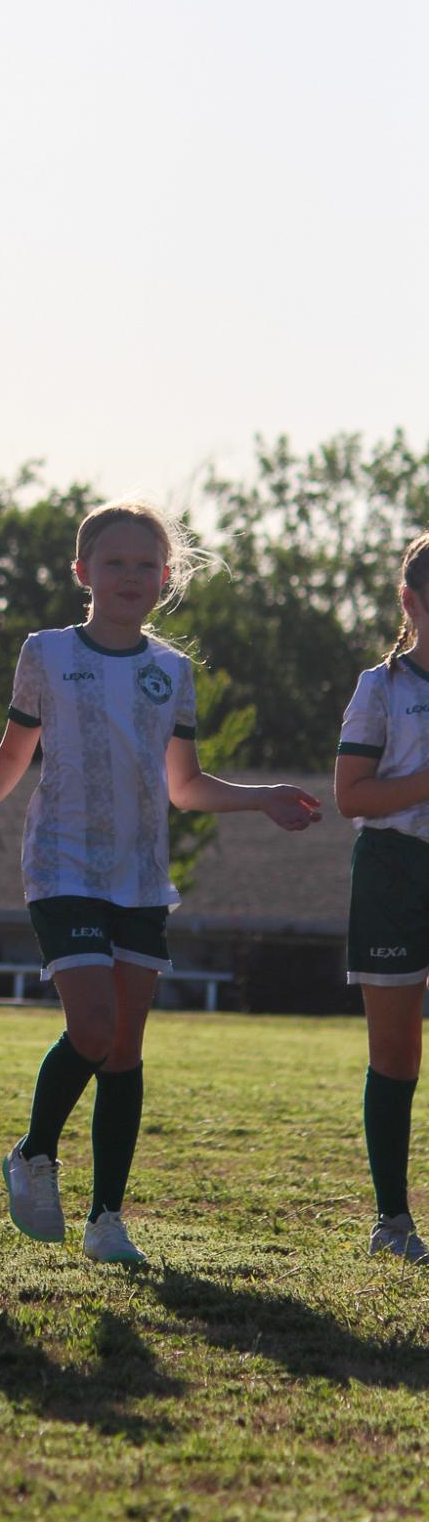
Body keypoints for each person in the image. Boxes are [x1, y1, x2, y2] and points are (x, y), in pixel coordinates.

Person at [0, 502, 321, 1265]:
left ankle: (106, 1220)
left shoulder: (173, 671)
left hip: (141, 877)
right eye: (114, 562)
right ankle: (32, 1153)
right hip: (62, 867)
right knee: (91, 1028)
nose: (131, 576)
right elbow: (11, 755)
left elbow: (184, 785)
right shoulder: (47, 652)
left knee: (123, 1047)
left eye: (146, 565)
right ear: (82, 571)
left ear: (165, 578)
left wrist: (260, 797)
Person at [335, 532, 429, 1263]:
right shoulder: (381, 687)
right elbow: (351, 794)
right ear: (409, 601)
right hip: (394, 872)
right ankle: (393, 1220)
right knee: (396, 1050)